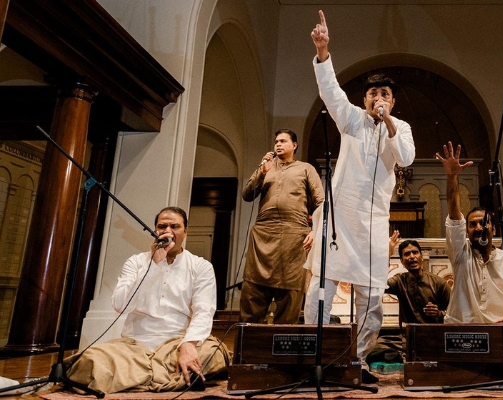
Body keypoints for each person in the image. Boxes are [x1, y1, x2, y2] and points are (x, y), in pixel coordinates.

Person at [304, 10, 416, 384]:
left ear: (392, 101)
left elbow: (406, 157)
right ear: (364, 99)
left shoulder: (400, 128)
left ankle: (358, 359)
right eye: (372, 94)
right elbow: (330, 92)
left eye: (384, 94)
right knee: (321, 287)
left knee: (371, 298)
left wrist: (387, 123)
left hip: (371, 223)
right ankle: (315, 355)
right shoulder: (350, 119)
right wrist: (323, 51)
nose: (378, 98)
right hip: (340, 218)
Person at [65, 207, 229, 393]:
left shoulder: (201, 266)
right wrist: (153, 265)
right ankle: (173, 379)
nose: (167, 231)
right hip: (135, 348)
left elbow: (203, 311)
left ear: (185, 231)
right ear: (154, 230)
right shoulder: (136, 263)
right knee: (89, 360)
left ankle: (135, 378)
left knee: (214, 352)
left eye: (174, 226)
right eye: (162, 226)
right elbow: (121, 305)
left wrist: (188, 346)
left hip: (177, 344)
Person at [436, 142, 503, 329]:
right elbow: (454, 217)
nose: (478, 227)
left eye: (483, 222)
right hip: (460, 331)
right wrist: (452, 177)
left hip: (499, 333)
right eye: (472, 224)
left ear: (494, 229)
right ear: (466, 230)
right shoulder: (461, 255)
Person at [240, 129, 324, 324]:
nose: (278, 144)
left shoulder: (305, 168)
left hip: (294, 235)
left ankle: (282, 347)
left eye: (283, 141)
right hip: (263, 234)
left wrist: (315, 230)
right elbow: (246, 195)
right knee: (253, 292)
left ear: (294, 145)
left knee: (290, 294)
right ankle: (249, 349)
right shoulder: (266, 167)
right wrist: (262, 173)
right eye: (276, 141)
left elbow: (321, 203)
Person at [386, 235, 451, 327]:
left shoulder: (439, 283)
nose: (412, 256)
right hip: (407, 336)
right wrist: (387, 255)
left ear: (421, 257)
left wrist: (439, 313)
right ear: (402, 261)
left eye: (415, 252)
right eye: (407, 254)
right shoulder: (399, 281)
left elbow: (454, 314)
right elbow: (379, 285)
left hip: (433, 336)